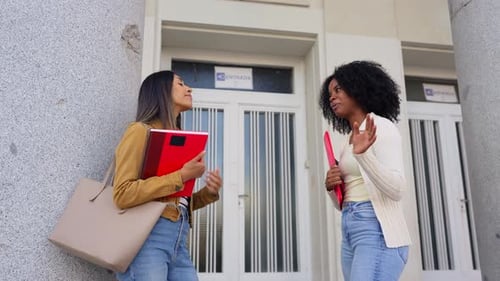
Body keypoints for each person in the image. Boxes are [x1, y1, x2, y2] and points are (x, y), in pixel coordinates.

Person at [113, 70, 222, 281]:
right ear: (160, 91)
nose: (189, 88)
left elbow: (173, 203)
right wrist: (181, 176)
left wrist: (208, 192)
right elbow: (122, 194)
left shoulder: (178, 140)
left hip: (178, 241)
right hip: (147, 241)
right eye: (180, 84)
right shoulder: (140, 131)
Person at [319, 61, 411, 281]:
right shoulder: (346, 141)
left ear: (358, 89)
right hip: (350, 227)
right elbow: (344, 202)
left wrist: (364, 156)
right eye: (329, 93)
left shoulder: (381, 127)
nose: (332, 97)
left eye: (338, 90)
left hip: (378, 230)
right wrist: (332, 187)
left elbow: (397, 189)